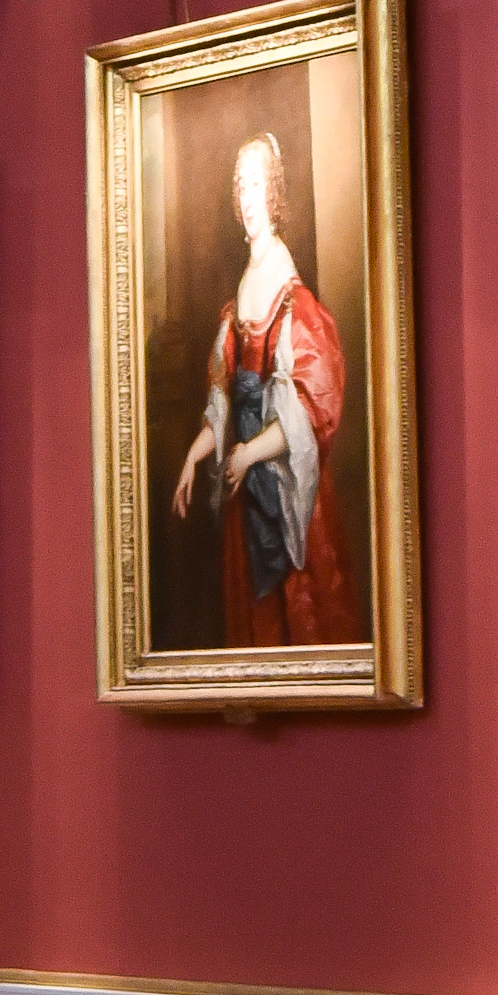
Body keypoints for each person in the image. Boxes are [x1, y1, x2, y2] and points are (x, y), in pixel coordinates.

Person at [170, 132, 358, 646]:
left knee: (301, 616)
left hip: (281, 485)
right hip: (243, 490)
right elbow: (225, 400)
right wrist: (194, 455)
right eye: (240, 185)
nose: (247, 197)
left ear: (273, 194)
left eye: (256, 184)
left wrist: (250, 452)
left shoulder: (289, 290)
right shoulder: (244, 286)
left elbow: (309, 409)